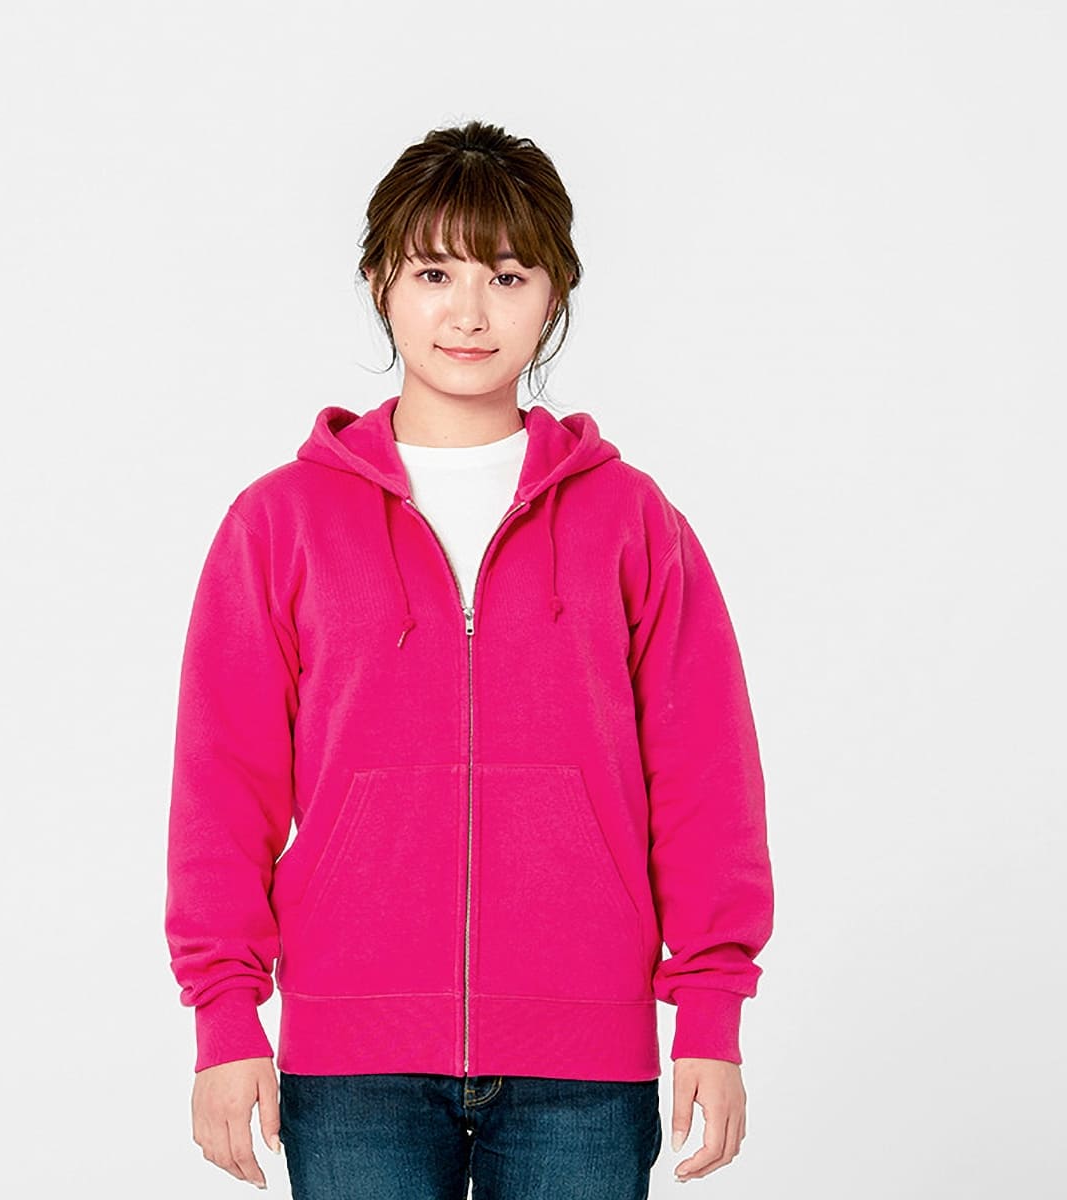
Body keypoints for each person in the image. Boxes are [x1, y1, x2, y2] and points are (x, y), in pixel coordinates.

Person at [164, 119, 774, 1198]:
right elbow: (223, 787)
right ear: (380, 282)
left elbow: (705, 781)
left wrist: (711, 1016)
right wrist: (225, 1017)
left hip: (584, 1066)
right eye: (434, 272)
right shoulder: (281, 523)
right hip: (351, 1064)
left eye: (507, 274)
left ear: (555, 291)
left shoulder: (632, 521)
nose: (470, 312)